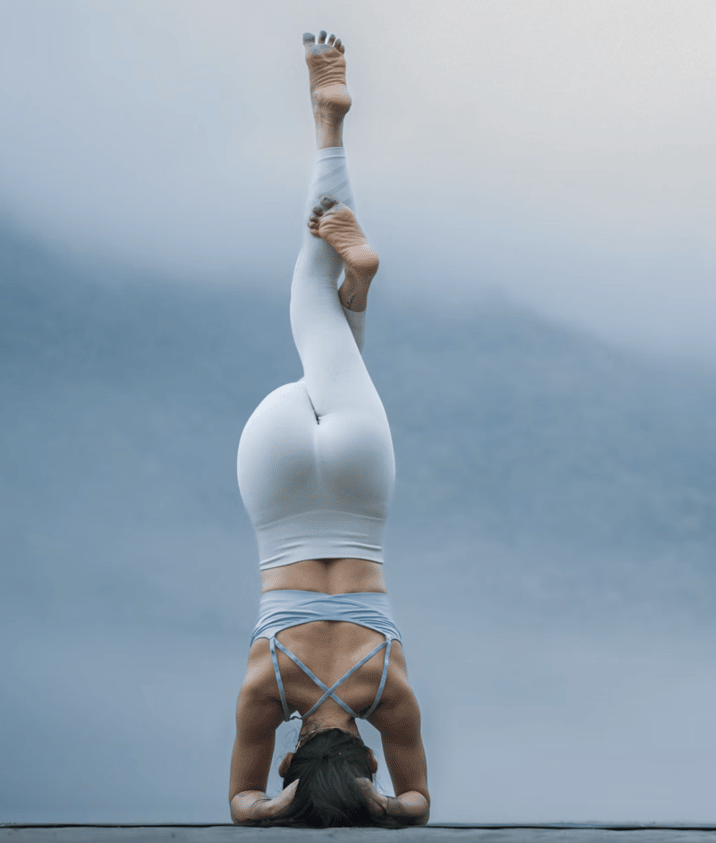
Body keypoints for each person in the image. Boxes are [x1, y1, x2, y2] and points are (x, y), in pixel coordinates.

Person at [226, 30, 429, 828]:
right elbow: (241, 804)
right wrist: (275, 805)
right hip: (278, 486)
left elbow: (417, 802)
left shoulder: (393, 688)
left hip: (360, 487)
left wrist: (384, 802)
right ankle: (326, 127)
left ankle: (332, 134)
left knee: (335, 336)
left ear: (370, 756)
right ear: (290, 755)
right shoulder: (263, 685)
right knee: (314, 313)